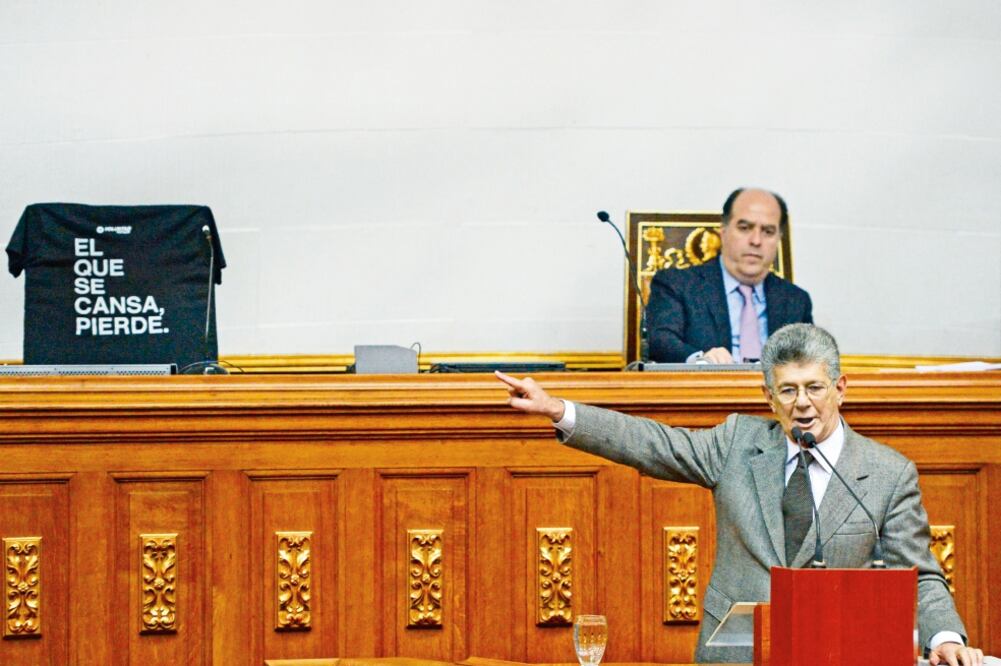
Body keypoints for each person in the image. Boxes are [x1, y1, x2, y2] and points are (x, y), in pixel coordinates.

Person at [496, 324, 982, 666]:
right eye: (787, 391)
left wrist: (945, 637)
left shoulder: (888, 473)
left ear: (840, 388)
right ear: (769, 398)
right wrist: (557, 409)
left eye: (814, 387)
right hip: (735, 655)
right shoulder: (735, 444)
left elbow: (918, 576)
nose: (803, 403)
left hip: (837, 655)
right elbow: (651, 443)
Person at [646, 187, 813, 363]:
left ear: (778, 239)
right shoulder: (677, 285)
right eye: (745, 228)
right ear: (723, 232)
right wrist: (701, 361)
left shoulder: (796, 300)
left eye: (768, 231)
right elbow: (660, 341)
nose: (756, 241)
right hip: (705, 387)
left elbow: (810, 361)